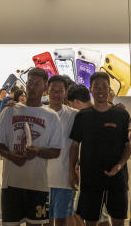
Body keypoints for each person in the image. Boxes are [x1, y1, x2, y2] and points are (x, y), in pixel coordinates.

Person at [0, 68, 62, 226]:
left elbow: (56, 151)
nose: (32, 87)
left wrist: (38, 151)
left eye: (37, 83)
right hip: (11, 185)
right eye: (30, 82)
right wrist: (12, 156)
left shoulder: (51, 116)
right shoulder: (10, 110)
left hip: (38, 185)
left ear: (45, 87)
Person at [69, 71, 131, 226]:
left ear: (109, 89)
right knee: (90, 220)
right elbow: (75, 145)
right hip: (90, 178)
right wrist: (72, 171)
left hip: (117, 178)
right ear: (91, 89)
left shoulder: (121, 115)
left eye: (104, 87)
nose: (101, 90)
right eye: (97, 87)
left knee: (118, 219)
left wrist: (119, 165)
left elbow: (128, 146)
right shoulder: (83, 116)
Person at [46, 75, 78, 226]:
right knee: (43, 221)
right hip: (41, 179)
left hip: (64, 178)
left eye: (60, 90)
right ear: (47, 91)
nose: (57, 94)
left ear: (65, 93)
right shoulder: (40, 113)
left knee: (61, 222)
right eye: (53, 90)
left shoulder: (74, 115)